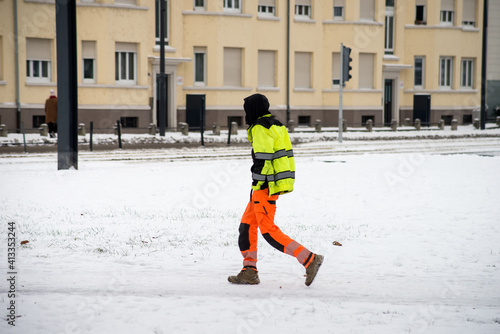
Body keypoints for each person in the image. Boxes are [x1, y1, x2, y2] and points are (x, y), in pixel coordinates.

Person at [228, 93, 324, 286]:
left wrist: (257, 184)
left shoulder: (260, 128)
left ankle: (309, 259)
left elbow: (263, 158)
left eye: (247, 109)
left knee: (269, 231)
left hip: (265, 186)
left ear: (252, 110)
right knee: (246, 227)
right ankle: (249, 271)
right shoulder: (276, 124)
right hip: (269, 184)